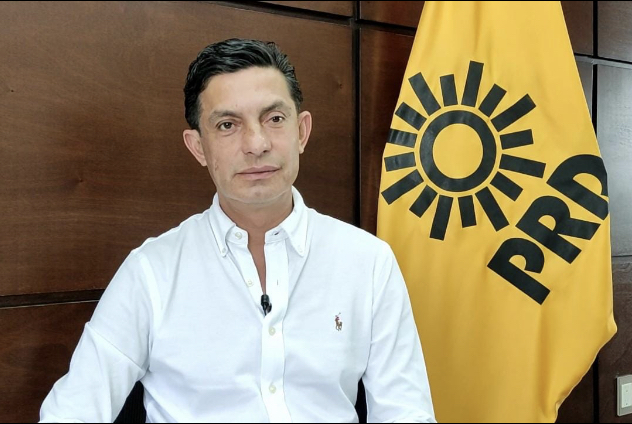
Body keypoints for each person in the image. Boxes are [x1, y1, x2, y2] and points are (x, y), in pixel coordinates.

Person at [39, 38, 435, 423]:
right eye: (228, 125)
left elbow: (406, 413)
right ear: (198, 147)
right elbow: (71, 413)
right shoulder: (152, 273)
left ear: (301, 132)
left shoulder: (368, 262)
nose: (257, 144)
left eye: (274, 119)